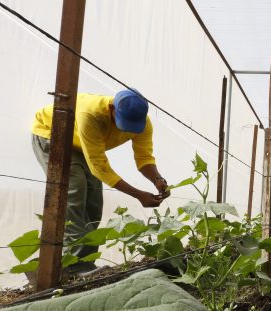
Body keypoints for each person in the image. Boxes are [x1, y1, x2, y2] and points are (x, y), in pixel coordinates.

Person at [30, 89, 170, 279]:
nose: (128, 130)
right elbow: (99, 166)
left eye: (133, 127)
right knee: (74, 191)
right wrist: (139, 195)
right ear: (112, 108)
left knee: (94, 201)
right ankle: (74, 265)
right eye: (125, 124)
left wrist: (158, 180)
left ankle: (85, 262)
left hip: (82, 145)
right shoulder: (91, 114)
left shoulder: (142, 122)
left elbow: (144, 158)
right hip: (53, 134)